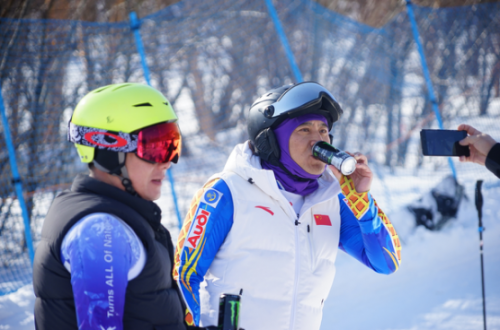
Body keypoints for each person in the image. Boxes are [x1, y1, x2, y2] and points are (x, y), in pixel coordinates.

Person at [174, 81, 402, 330]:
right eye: (304, 130)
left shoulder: (332, 200)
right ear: (272, 140)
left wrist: (361, 201)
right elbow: (183, 276)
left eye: (323, 131)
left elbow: (386, 262)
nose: (318, 142)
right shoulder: (226, 191)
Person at [33, 83, 187, 330]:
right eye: (154, 147)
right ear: (108, 150)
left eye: (171, 143)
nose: (168, 161)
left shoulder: (122, 216)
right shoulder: (100, 230)